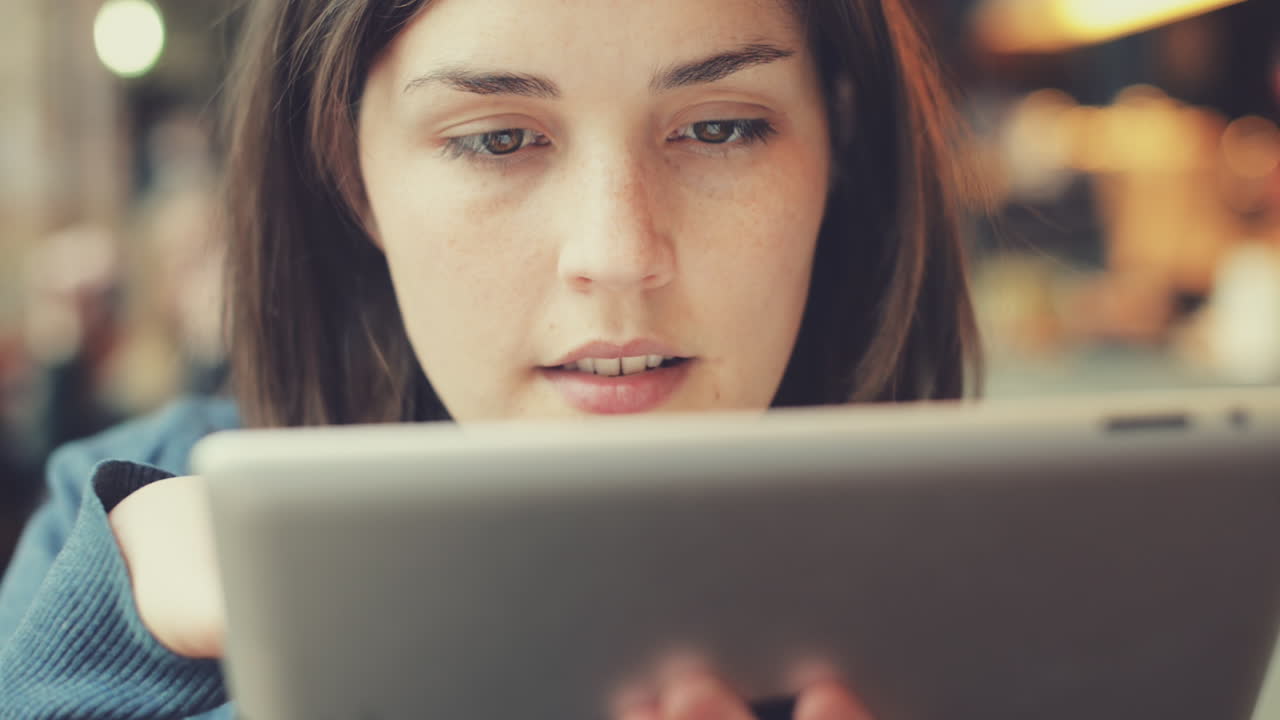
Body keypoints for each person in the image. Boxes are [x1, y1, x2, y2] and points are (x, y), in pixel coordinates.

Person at [0, 0, 982, 717]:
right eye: (498, 137)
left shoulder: (1018, 575)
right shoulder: (129, 540)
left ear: (838, 143)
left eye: (719, 127)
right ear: (349, 174)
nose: (615, 253)